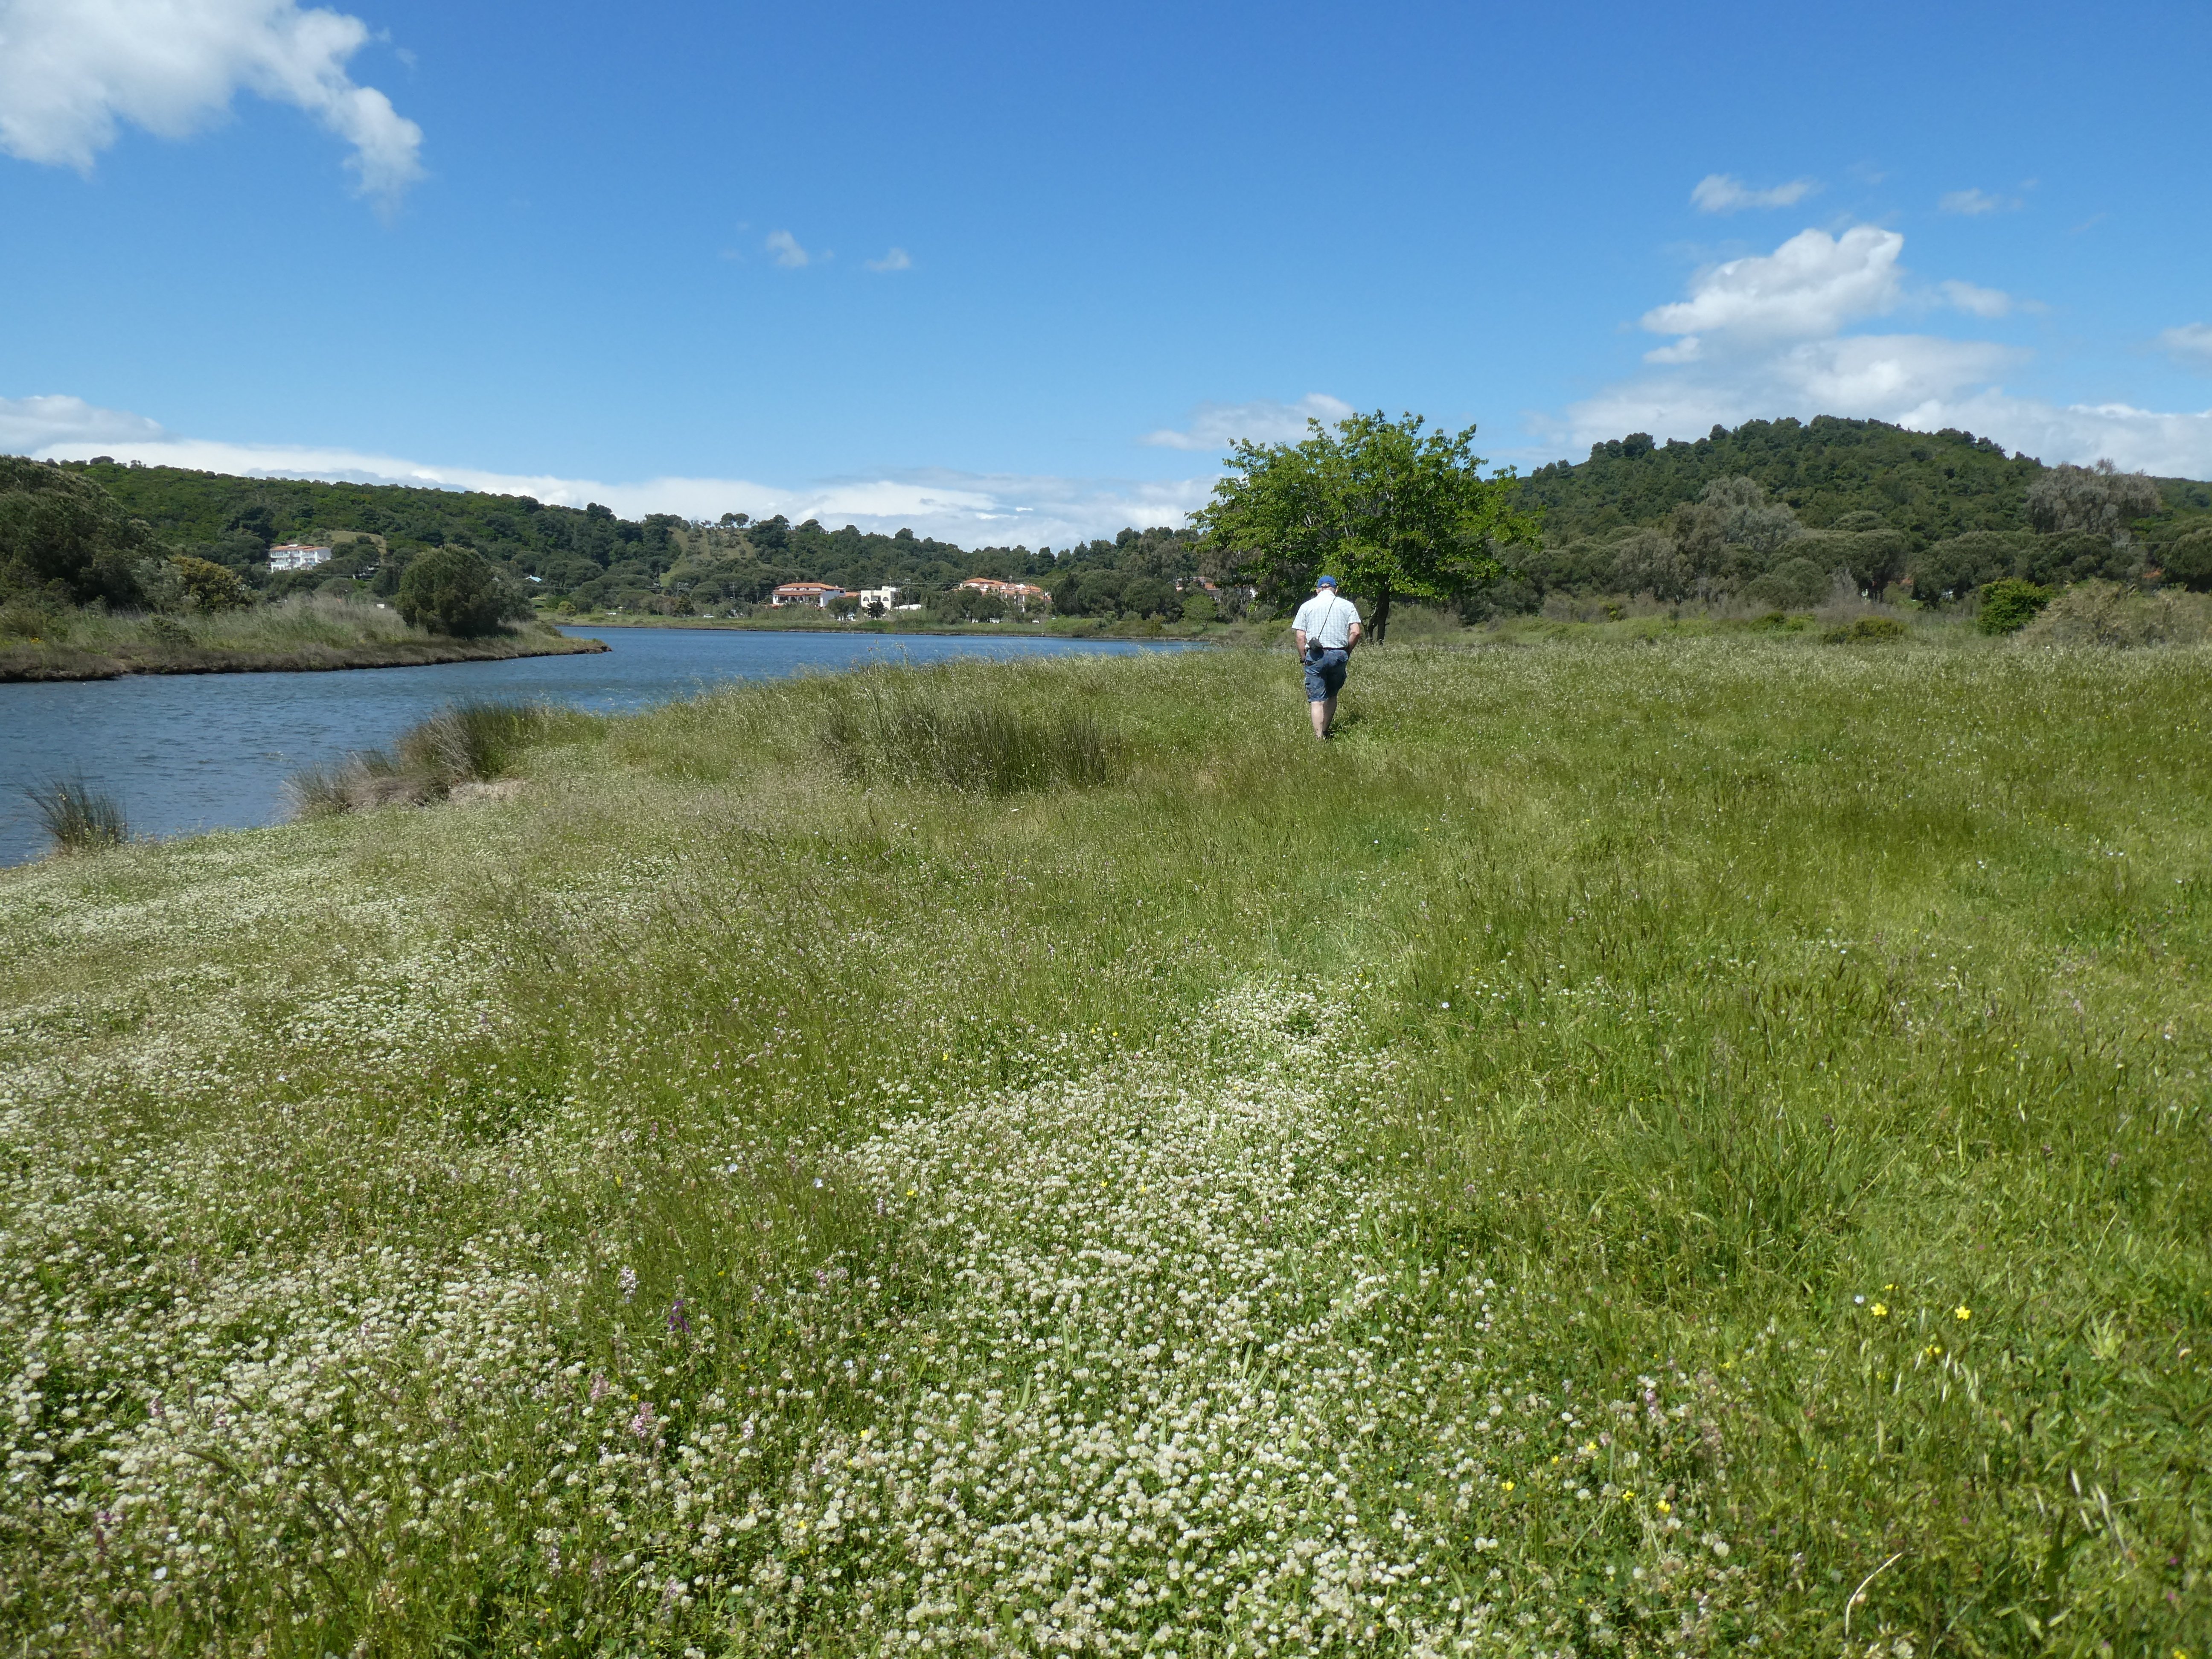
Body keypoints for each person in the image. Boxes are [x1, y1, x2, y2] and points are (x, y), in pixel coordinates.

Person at [1290, 575, 1361, 739]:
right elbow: (1356, 632)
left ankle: (1318, 737)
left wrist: (1303, 657)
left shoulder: (1307, 606)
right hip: (1339, 654)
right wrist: (1347, 651)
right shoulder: (1347, 606)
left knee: (1317, 699)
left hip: (1316, 655)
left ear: (1318, 590)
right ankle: (1326, 730)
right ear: (1336, 590)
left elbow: (1300, 637)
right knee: (1332, 694)